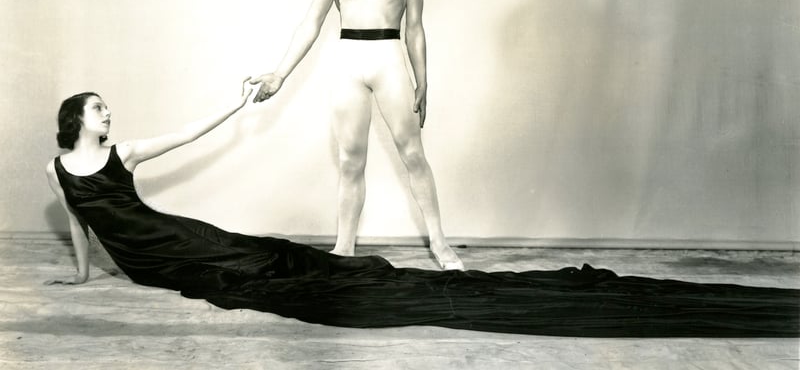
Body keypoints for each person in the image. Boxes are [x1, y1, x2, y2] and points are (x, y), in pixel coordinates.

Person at [44, 88, 800, 337]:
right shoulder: (60, 166)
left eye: (109, 107)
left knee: (259, 258)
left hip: (176, 241)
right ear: (78, 120)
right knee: (242, 269)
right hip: (146, 261)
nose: (110, 114)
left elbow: (192, 132)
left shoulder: (128, 152)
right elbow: (84, 225)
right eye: (98, 109)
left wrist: (240, 103)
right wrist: (84, 278)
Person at [249, 0, 463, 270]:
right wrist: (280, 73)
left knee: (412, 154)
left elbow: (414, 29)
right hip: (348, 61)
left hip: (388, 58)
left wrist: (422, 79)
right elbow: (310, 24)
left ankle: (441, 246)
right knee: (350, 160)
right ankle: (344, 249)